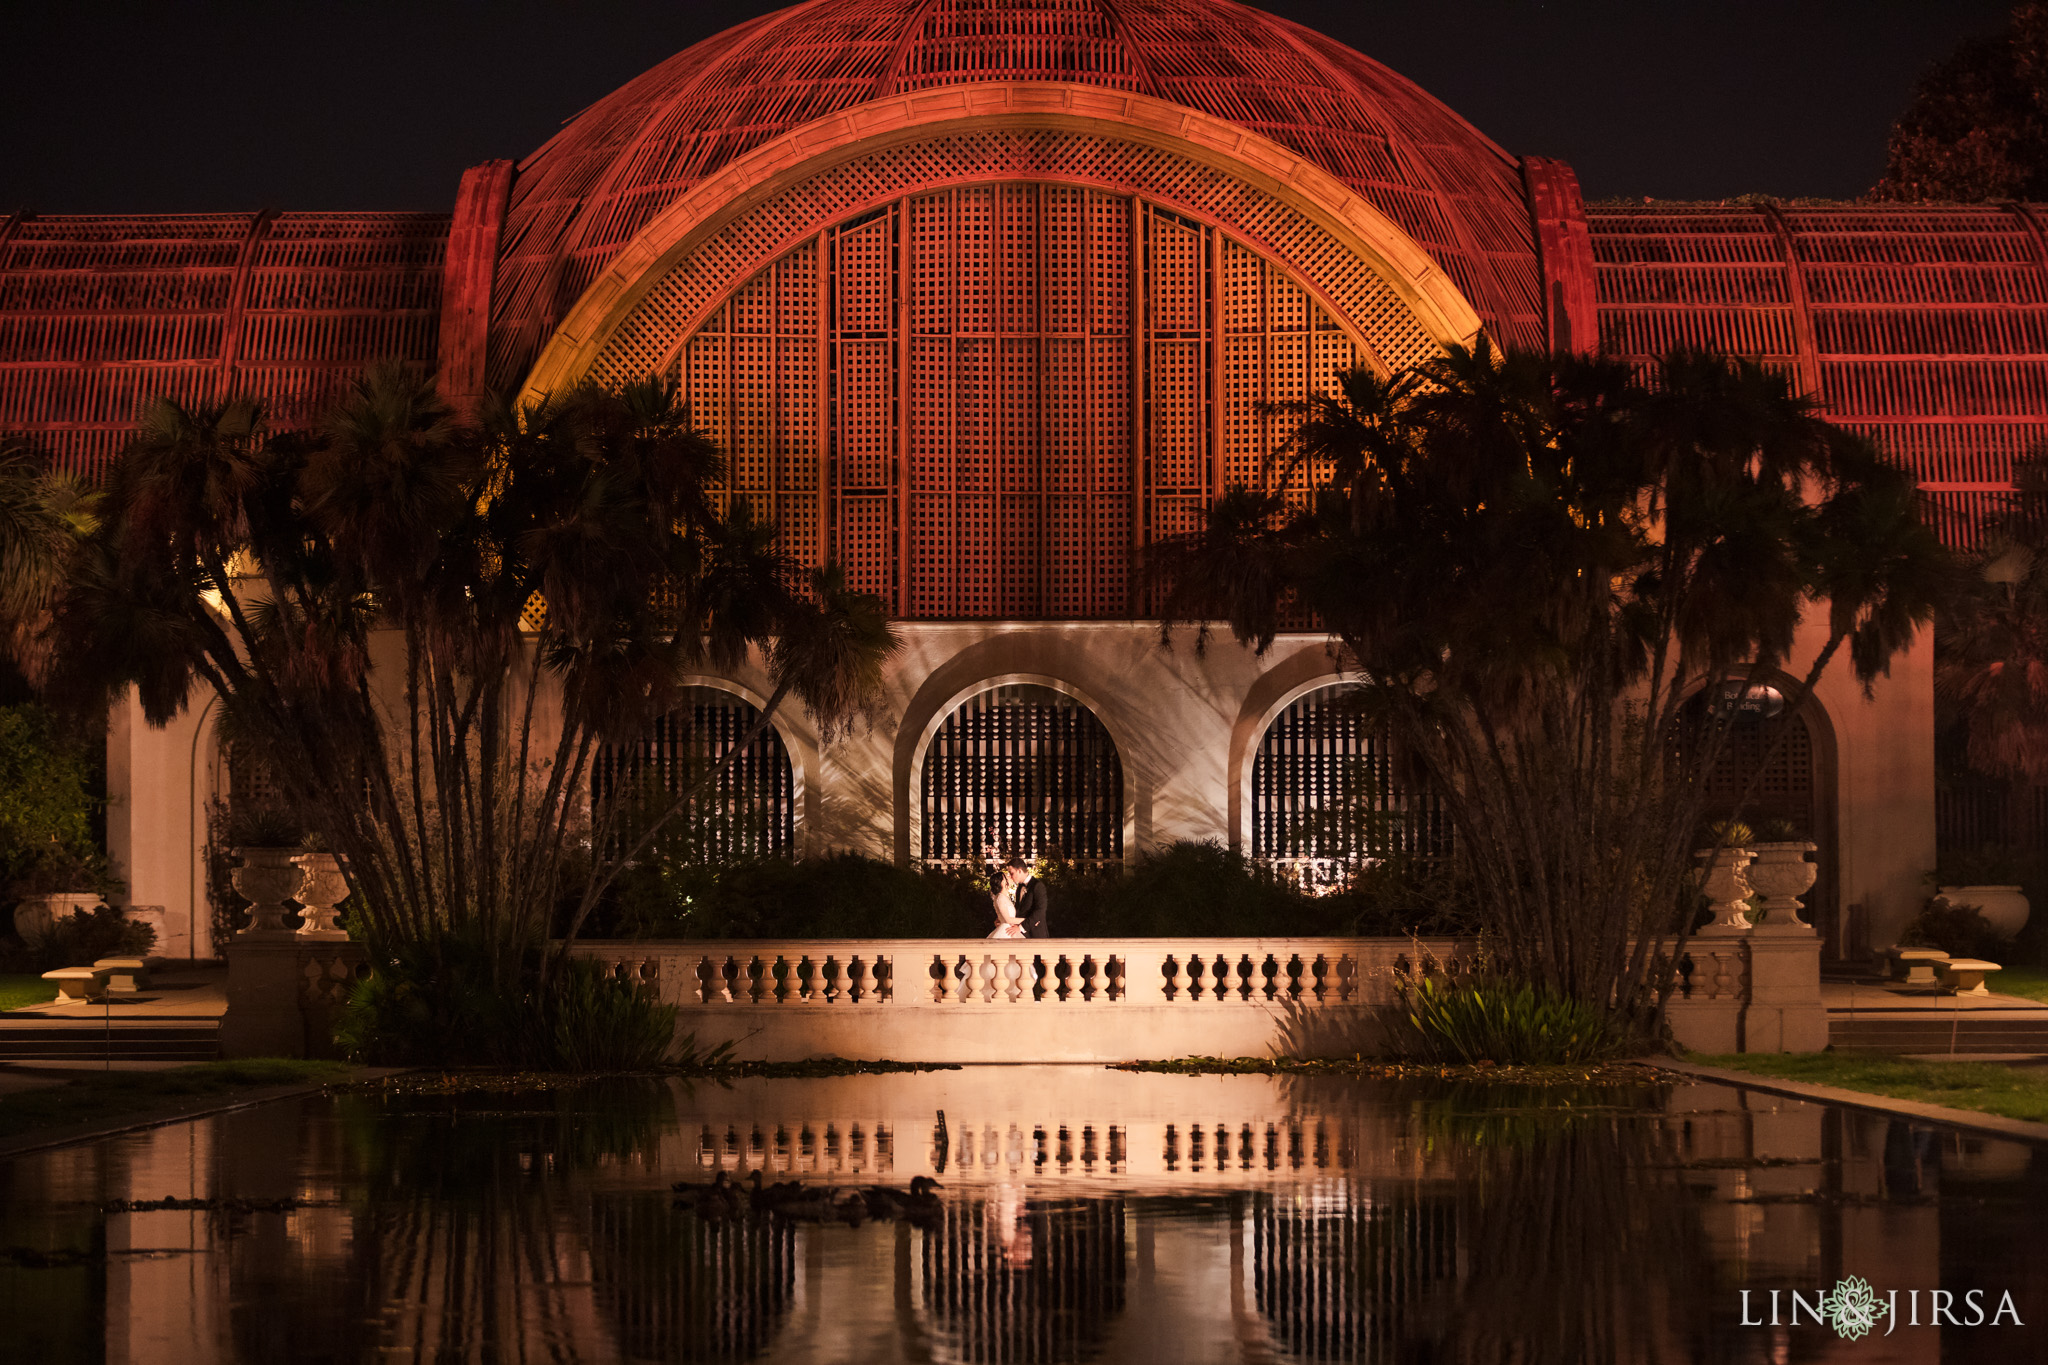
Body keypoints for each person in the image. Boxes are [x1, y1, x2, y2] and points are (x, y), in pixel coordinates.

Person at [1003, 856, 1051, 938]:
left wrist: (1021, 928)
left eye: (1012, 873)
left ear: (1020, 871)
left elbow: (1040, 911)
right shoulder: (1019, 887)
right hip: (1021, 935)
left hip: (1036, 934)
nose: (1010, 876)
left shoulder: (1037, 886)